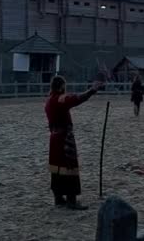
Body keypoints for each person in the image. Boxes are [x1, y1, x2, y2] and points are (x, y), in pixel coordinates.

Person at [45, 76, 102, 210]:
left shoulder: (48, 100)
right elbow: (76, 99)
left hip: (54, 138)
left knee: (57, 168)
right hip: (64, 138)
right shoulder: (60, 98)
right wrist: (91, 90)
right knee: (69, 166)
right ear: (60, 86)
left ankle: (58, 198)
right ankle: (71, 200)